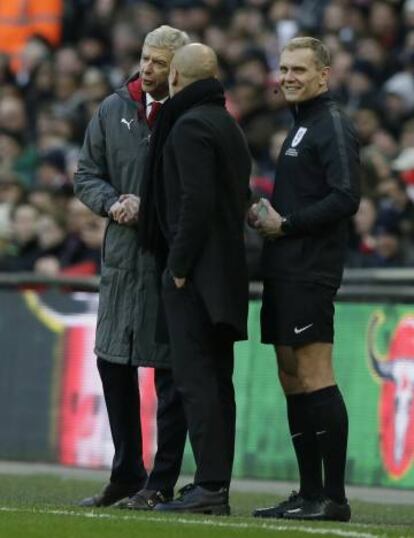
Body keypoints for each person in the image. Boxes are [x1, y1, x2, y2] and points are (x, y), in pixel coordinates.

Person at [73, 25, 190, 510]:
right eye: (145, 57)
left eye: (160, 63)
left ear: (178, 69)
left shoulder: (190, 115)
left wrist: (153, 207)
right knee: (112, 361)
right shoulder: (112, 108)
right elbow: (85, 173)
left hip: (168, 261)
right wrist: (110, 202)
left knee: (168, 375)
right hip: (122, 260)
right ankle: (126, 473)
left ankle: (161, 481)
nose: (148, 68)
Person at [251, 37, 360, 522]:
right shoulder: (300, 126)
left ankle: (333, 498)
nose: (289, 76)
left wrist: (287, 225)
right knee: (291, 377)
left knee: (316, 375)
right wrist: (270, 219)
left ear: (323, 75)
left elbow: (345, 196)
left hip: (310, 269)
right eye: (284, 68)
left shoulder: (331, 125)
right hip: (284, 266)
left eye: (299, 69)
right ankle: (309, 491)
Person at [139, 43, 251, 515]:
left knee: (195, 380)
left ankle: (208, 487)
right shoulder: (226, 125)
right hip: (226, 273)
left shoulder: (187, 126)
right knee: (217, 382)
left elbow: (194, 203)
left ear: (178, 80)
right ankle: (214, 484)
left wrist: (179, 266)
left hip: (195, 276)